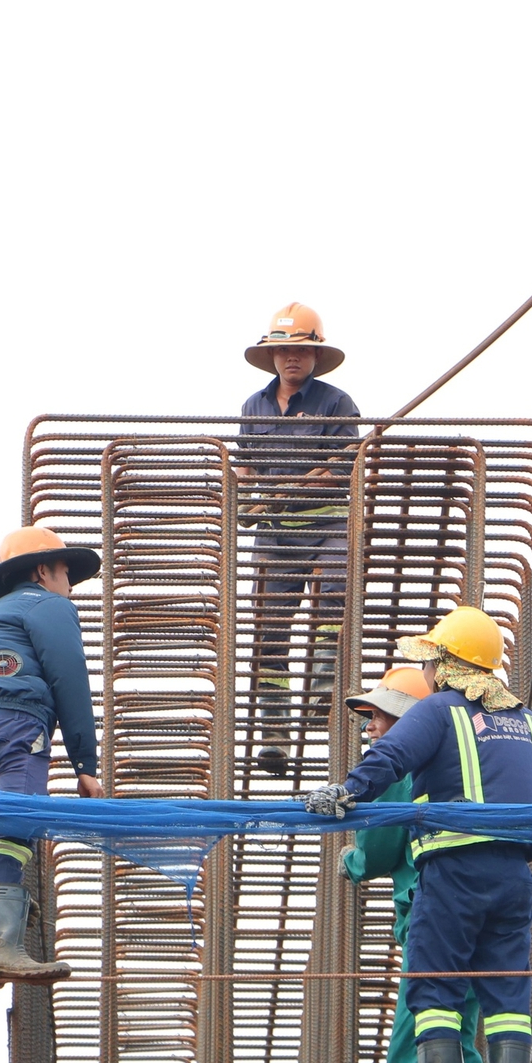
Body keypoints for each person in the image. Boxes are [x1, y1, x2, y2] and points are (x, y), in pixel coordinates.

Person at [304, 606, 532, 1063]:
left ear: (447, 665)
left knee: (434, 982)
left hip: (454, 872)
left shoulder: (438, 711)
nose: (428, 673)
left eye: (431, 662)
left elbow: (389, 758)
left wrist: (346, 790)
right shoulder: (529, 723)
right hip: (513, 878)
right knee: (505, 988)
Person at [0, 525, 102, 979]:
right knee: (13, 835)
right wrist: (85, 765)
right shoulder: (48, 605)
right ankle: (0, 945)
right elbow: (69, 677)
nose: (69, 585)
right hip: (16, 727)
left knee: (0, 834)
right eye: (64, 573)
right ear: (42, 571)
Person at [339, 667, 486, 1063]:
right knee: (465, 1002)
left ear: (403, 719)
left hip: (427, 900)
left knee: (420, 1000)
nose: (370, 728)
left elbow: (380, 850)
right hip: (481, 898)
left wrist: (352, 860)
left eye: (379, 716)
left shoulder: (395, 764)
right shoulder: (464, 754)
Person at [237, 303, 361, 776]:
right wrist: (246, 492)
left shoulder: (336, 403)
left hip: (326, 522)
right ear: (272, 355)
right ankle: (275, 736)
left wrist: (289, 492)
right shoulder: (254, 406)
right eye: (284, 350)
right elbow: (245, 460)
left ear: (315, 357)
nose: (292, 358)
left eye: (301, 351)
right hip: (275, 533)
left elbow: (344, 465)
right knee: (270, 630)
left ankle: (322, 694)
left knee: (332, 598)